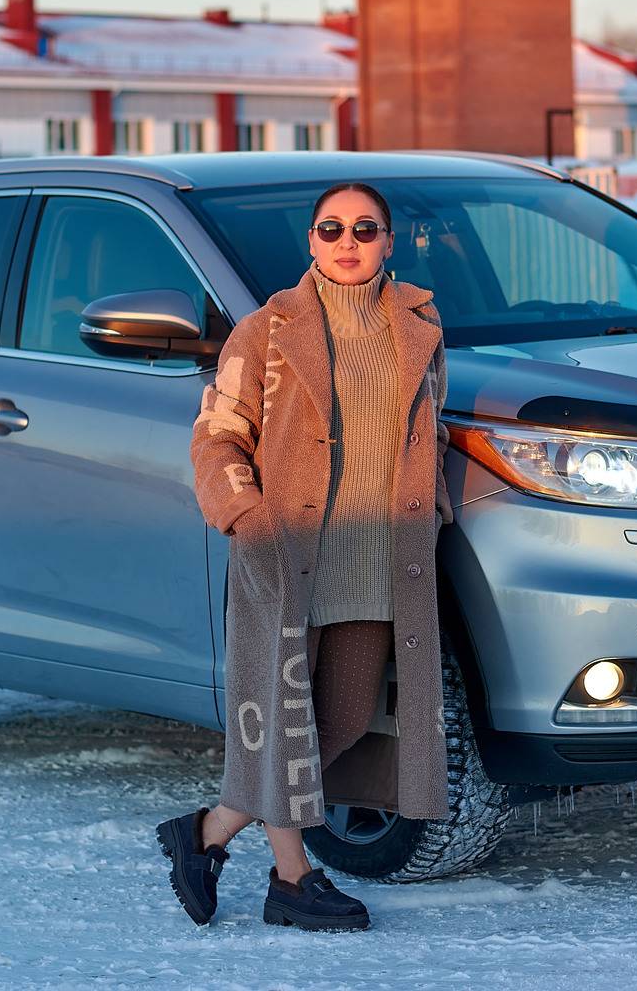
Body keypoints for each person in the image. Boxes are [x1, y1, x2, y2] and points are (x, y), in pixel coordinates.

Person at [155, 181, 454, 932]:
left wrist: (435, 511)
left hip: (379, 560)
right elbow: (217, 435)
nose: (348, 243)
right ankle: (292, 879)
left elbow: (433, 429)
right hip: (287, 557)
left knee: (342, 723)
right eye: (331, 229)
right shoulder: (267, 330)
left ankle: (208, 832)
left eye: (365, 229)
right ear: (311, 242)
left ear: (389, 242)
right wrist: (246, 516)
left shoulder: (419, 325)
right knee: (285, 727)